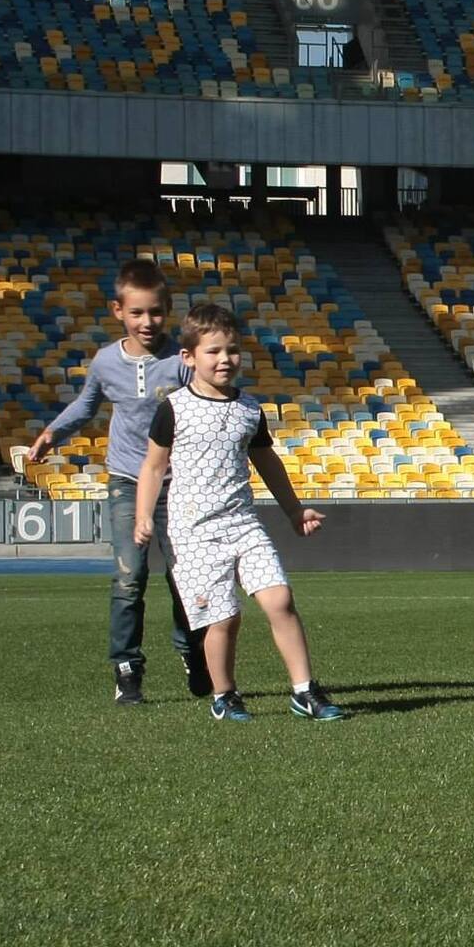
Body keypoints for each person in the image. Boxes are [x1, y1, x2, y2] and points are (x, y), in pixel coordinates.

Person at [135, 303, 345, 722]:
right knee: (223, 617)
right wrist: (143, 516)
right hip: (193, 532)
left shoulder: (250, 409)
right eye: (213, 351)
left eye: (232, 350)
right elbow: (154, 466)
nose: (225, 359)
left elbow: (267, 463)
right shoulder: (174, 409)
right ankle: (224, 695)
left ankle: (305, 691)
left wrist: (293, 510)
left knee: (280, 599)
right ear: (188, 357)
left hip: (243, 524)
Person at [26, 258, 206, 706]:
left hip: (178, 487)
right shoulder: (107, 362)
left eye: (156, 312)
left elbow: (203, 408)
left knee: (187, 578)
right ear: (118, 311)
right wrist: (52, 433)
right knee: (130, 577)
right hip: (127, 482)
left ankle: (193, 651)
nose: (148, 322)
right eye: (138, 313)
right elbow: (86, 406)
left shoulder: (181, 361)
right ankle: (127, 669)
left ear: (168, 311)